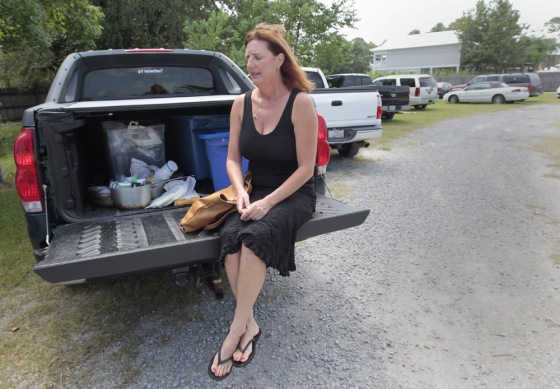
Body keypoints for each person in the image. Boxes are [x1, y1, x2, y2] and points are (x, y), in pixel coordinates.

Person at [208, 23, 318, 380]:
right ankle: (250, 325)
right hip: (254, 190)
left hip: (293, 193)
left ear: (278, 60)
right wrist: (241, 191)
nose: (250, 64)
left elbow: (306, 168)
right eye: (247, 58)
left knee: (255, 241)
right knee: (231, 242)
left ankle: (234, 332)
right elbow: (231, 160)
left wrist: (267, 203)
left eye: (258, 57)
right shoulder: (240, 104)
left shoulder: (300, 102)